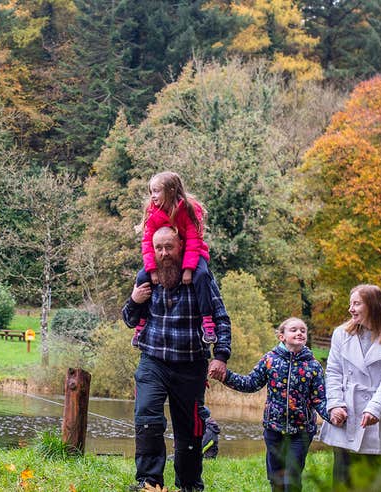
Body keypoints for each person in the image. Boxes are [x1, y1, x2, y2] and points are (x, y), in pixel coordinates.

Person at [122, 226, 232, 491]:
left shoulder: (199, 277)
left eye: (169, 247)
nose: (164, 253)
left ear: (181, 245)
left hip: (191, 365)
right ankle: (149, 482)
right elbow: (129, 319)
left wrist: (221, 355)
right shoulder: (148, 276)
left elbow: (221, 318)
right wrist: (135, 300)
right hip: (153, 361)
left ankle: (190, 484)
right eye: (158, 248)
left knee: (190, 430)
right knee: (147, 416)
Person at [218, 318, 329, 492]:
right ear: (281, 336)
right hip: (274, 428)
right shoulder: (270, 360)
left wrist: (334, 414)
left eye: (303, 330)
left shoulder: (313, 365)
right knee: (276, 477)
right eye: (294, 330)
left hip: (301, 431)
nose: (299, 333)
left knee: (292, 478)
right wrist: (226, 376)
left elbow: (320, 399)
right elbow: (250, 383)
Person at [320, 284, 381, 491]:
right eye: (350, 304)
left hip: (377, 415)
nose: (351, 309)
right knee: (342, 477)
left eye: (356, 303)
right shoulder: (341, 334)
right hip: (346, 412)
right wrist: (335, 405)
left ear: (372, 305)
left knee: (373, 479)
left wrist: (374, 408)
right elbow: (333, 372)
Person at [136, 171, 216, 346]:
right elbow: (147, 242)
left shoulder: (189, 208)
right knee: (142, 278)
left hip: (191, 253)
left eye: (156, 191)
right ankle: (141, 323)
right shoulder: (152, 210)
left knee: (201, 276)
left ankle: (207, 320)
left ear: (171, 191)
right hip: (166, 255)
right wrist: (152, 269)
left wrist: (188, 269)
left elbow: (195, 240)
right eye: (151, 192)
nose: (153, 196)